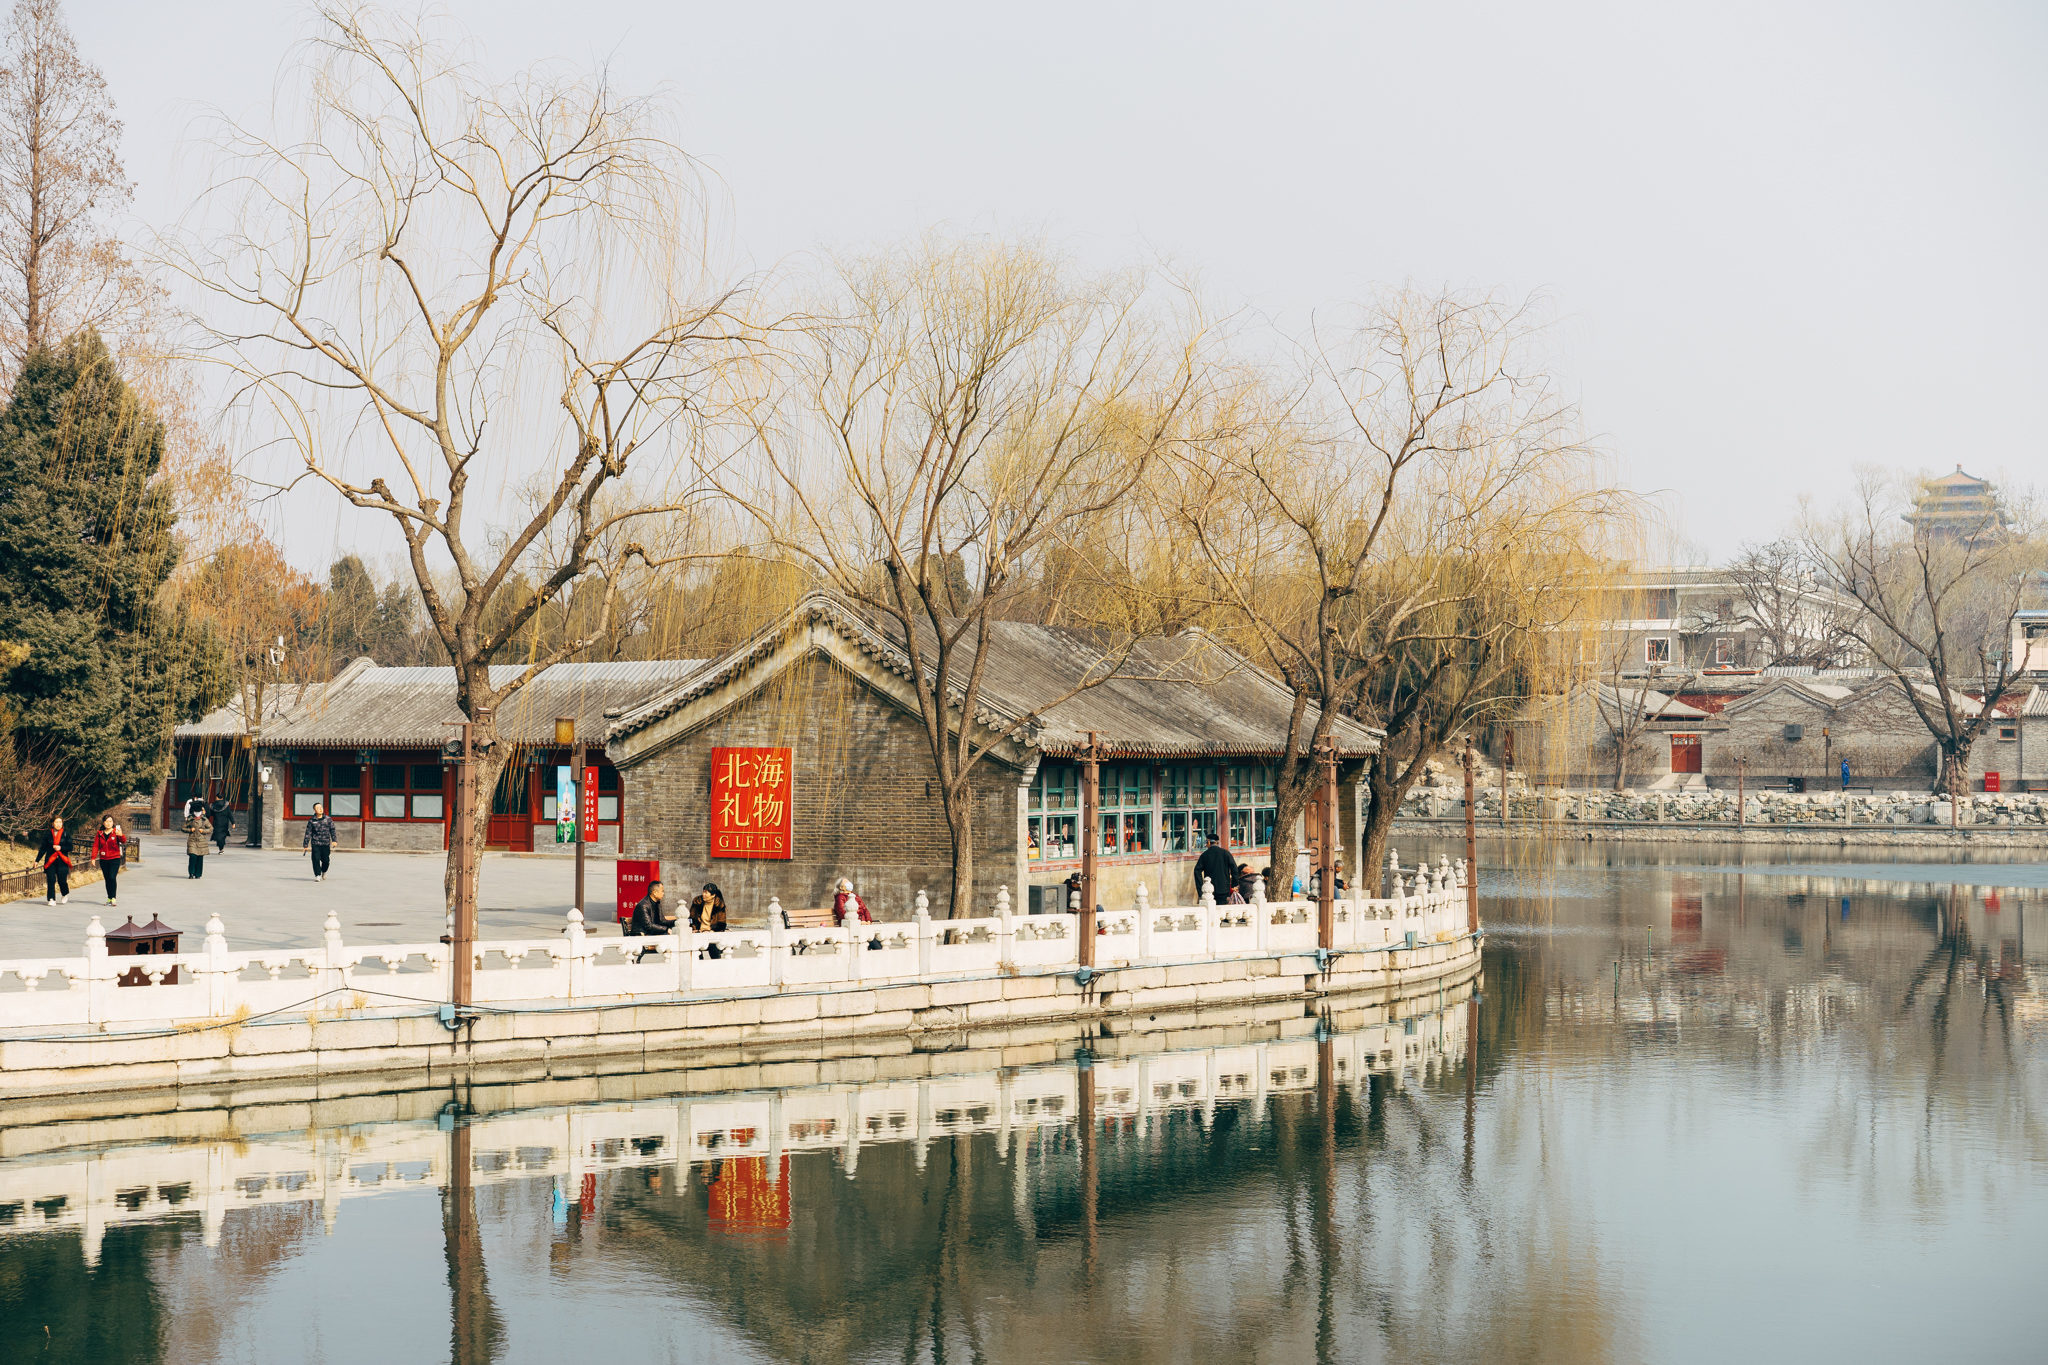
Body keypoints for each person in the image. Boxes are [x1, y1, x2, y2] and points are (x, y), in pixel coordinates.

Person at [36, 816, 74, 904]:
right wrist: (37, 860)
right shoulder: (48, 834)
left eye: (60, 822)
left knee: (62, 880)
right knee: (51, 879)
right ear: (52, 823)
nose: (58, 824)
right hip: (50, 860)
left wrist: (61, 847)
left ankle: (64, 893)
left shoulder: (65, 834)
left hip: (62, 860)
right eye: (56, 822)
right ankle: (51, 899)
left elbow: (70, 847)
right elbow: (43, 848)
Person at [92, 815, 127, 907]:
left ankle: (114, 898)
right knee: (107, 879)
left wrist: (121, 835)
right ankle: (109, 898)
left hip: (114, 859)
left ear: (113, 822)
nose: (108, 823)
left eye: (110, 821)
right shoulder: (100, 833)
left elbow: (123, 841)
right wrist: (93, 858)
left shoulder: (116, 832)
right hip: (104, 860)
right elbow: (96, 846)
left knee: (112, 877)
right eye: (106, 821)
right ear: (103, 823)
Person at [1194, 834, 1237, 904]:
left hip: (1209, 889)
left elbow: (1197, 871)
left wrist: (1201, 889)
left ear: (1208, 842)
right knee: (1222, 911)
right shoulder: (1225, 853)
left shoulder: (1205, 855)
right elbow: (1234, 869)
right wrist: (1234, 885)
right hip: (1224, 888)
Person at [302, 803, 337, 882]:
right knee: (315, 859)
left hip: (325, 843)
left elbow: (332, 830)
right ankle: (317, 875)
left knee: (326, 861)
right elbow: (308, 833)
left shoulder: (328, 819)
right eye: (318, 808)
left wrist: (334, 840)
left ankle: (324, 871)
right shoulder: (311, 821)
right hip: (315, 843)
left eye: (321, 807)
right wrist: (305, 845)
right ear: (314, 810)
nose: (321, 809)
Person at [183, 806, 211, 880]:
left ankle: (198, 874)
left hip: (201, 841)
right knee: (193, 856)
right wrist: (190, 830)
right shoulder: (190, 819)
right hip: (192, 840)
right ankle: (191, 873)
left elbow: (210, 829)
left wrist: (203, 831)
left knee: (200, 858)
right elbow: (183, 828)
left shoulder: (204, 820)